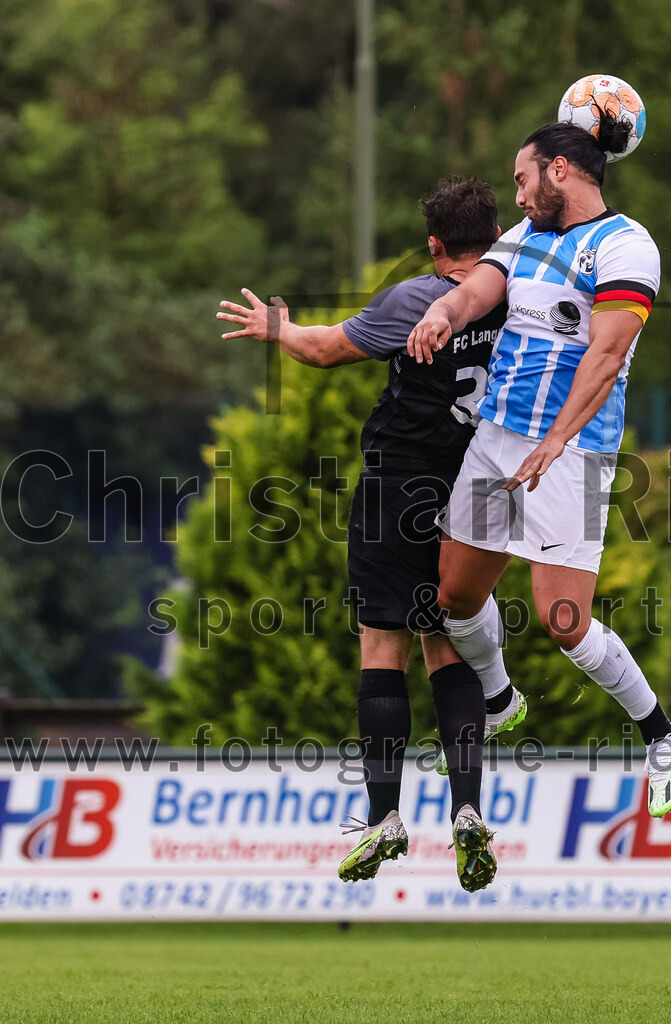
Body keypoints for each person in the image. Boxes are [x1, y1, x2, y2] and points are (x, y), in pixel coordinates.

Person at [216, 178, 525, 892]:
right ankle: (469, 810)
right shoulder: (520, 299)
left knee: (383, 644)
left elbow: (324, 351)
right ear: (495, 236)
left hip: (401, 481)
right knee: (445, 639)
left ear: (434, 245)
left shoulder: (416, 299)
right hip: (477, 484)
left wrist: (277, 330)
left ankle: (384, 815)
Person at [407, 119, 671, 818]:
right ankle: (501, 700)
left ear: (559, 170)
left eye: (522, 177)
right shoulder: (523, 236)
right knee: (452, 601)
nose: (518, 193)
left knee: (563, 620)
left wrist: (558, 439)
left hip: (574, 449)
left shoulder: (625, 244)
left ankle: (661, 738)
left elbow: (605, 355)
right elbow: (476, 292)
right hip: (500, 438)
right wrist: (444, 311)